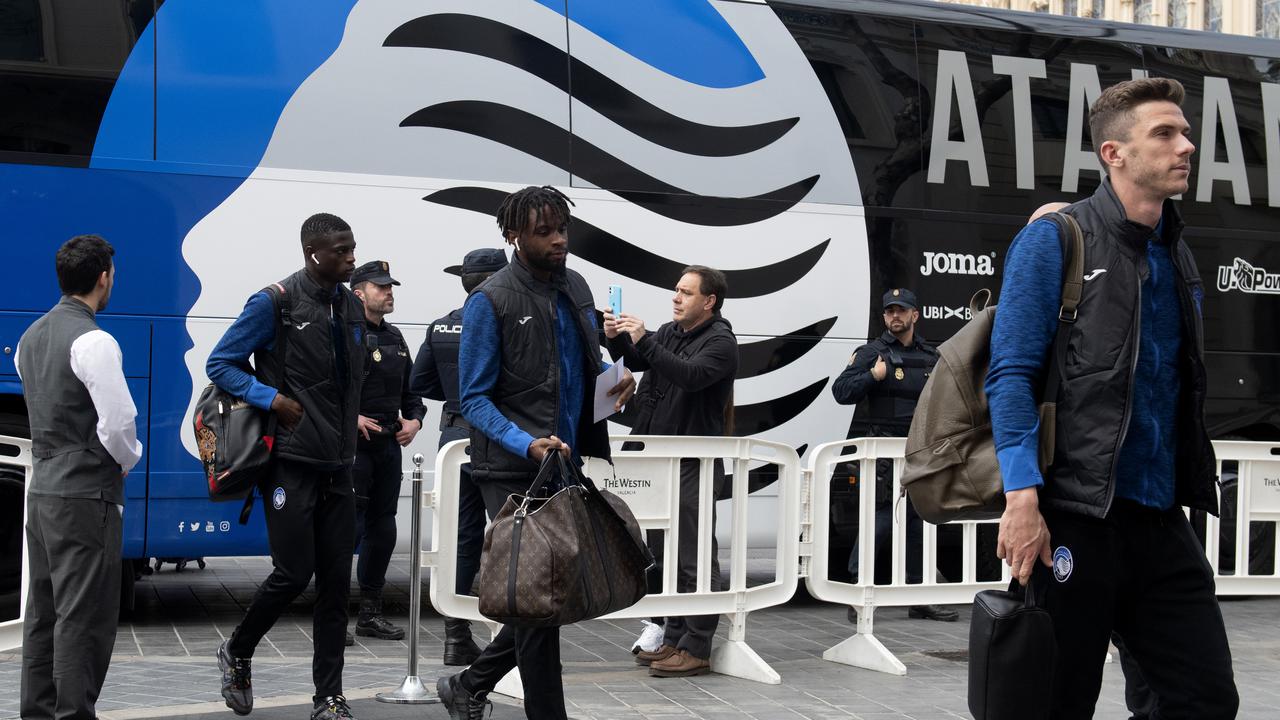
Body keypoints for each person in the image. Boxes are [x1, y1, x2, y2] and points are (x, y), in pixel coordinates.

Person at [989, 77, 1237, 718]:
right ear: (1113, 153)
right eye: (1165, 133)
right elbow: (1011, 373)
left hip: (1160, 520)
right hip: (1074, 516)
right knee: (1054, 702)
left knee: (1204, 699)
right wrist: (1022, 499)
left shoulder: (1177, 253)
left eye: (1184, 132)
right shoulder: (1056, 238)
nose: (1185, 145)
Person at [435, 185, 635, 720]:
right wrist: (526, 441)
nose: (558, 240)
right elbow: (472, 398)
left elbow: (584, 369)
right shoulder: (491, 300)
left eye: (562, 229)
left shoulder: (577, 285)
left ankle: (470, 684)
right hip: (508, 465)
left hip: (562, 461)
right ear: (514, 235)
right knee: (539, 605)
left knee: (546, 600)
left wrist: (616, 386)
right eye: (544, 231)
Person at [207, 213, 366, 720]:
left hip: (339, 465)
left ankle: (329, 698)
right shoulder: (273, 302)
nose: (351, 259)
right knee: (295, 573)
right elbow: (221, 363)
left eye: (353, 249)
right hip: (291, 463)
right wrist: (271, 398)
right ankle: (239, 649)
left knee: (338, 585)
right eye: (341, 251)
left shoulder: (350, 305)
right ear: (312, 253)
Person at [1026, 201, 1158, 720]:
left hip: (1138, 506)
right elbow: (1008, 387)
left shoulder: (1110, 296)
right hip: (1068, 504)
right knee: (1063, 675)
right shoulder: (1032, 313)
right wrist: (1024, 499)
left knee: (1168, 677)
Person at [17, 234, 144, 720]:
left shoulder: (29, 338)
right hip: (86, 493)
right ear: (103, 277)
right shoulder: (95, 340)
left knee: (44, 613)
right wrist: (128, 459)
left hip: (43, 488)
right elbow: (117, 423)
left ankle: (38, 713)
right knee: (83, 617)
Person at [604, 265, 738, 678]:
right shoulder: (670, 331)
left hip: (693, 461)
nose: (676, 298)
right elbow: (644, 361)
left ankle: (697, 646)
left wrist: (644, 339)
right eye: (675, 290)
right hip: (658, 458)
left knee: (695, 556)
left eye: (685, 292)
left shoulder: (721, 341)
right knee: (667, 554)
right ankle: (675, 637)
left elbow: (692, 376)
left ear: (709, 301)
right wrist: (617, 342)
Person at [830, 288, 958, 622]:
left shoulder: (931, 357)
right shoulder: (872, 353)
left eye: (901, 311)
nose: (895, 317)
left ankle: (918, 596)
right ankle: (858, 593)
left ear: (915, 315)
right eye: (890, 312)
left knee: (919, 523)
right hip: (883, 453)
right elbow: (841, 392)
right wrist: (872, 376)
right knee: (879, 522)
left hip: (920, 451)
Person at [409, 247, 507, 666]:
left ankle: (455, 635)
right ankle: (512, 631)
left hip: (453, 437)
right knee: (511, 530)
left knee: (461, 535)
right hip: (501, 437)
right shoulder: (505, 322)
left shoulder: (440, 326)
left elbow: (420, 381)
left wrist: (456, 395)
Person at [348, 260, 424, 641]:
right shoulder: (344, 334)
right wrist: (351, 418)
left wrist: (415, 420)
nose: (389, 291)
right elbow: (324, 390)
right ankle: (330, 616)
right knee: (346, 530)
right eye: (381, 287)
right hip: (352, 448)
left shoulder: (395, 338)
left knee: (383, 529)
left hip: (387, 447)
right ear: (359, 293)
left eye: (391, 286)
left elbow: (411, 392)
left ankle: (370, 613)